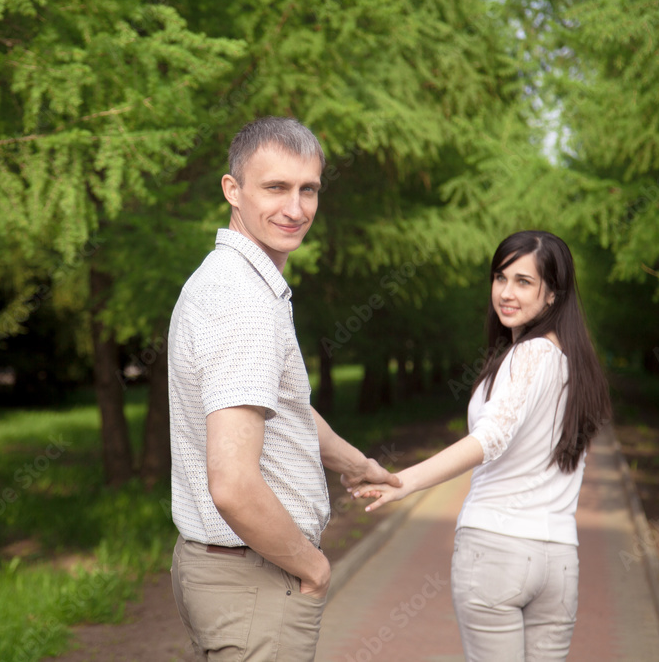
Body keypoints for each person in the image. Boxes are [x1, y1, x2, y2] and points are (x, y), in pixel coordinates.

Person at [167, 116, 403, 662]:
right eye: (275, 187)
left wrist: (356, 464)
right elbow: (231, 484)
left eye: (309, 189)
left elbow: (284, 411)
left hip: (225, 575)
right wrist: (313, 568)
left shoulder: (226, 277)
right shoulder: (243, 305)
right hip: (255, 581)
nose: (295, 209)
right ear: (233, 189)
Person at [354, 230, 612, 661]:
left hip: (497, 549)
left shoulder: (529, 355)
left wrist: (405, 481)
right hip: (560, 561)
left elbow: (491, 438)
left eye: (523, 282)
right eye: (500, 278)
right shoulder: (576, 366)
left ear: (552, 296)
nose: (506, 293)